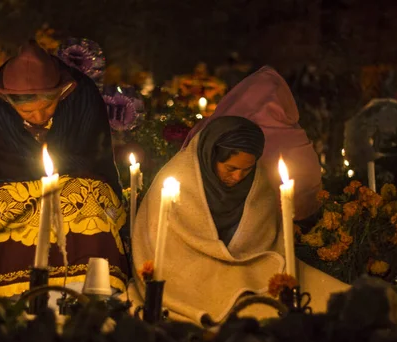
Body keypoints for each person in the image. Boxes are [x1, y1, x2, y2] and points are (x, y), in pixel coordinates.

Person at [131, 116, 348, 326]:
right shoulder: (177, 178)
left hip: (247, 268)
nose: (237, 177)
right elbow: (163, 246)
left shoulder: (257, 182)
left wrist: (236, 263)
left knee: (326, 299)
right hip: (188, 273)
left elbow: (263, 240)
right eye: (231, 168)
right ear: (211, 156)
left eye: (246, 169)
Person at [0, 40, 129, 302]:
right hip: (9, 185)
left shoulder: (82, 95)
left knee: (86, 196)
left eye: (47, 107)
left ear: (61, 94)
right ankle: (12, 297)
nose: (38, 117)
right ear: (7, 99)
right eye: (28, 110)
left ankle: (88, 291)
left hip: (73, 182)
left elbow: (92, 156)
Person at [183, 66, 322, 222]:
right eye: (232, 168)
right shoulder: (222, 134)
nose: (238, 176)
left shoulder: (217, 128)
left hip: (281, 226)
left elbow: (310, 192)